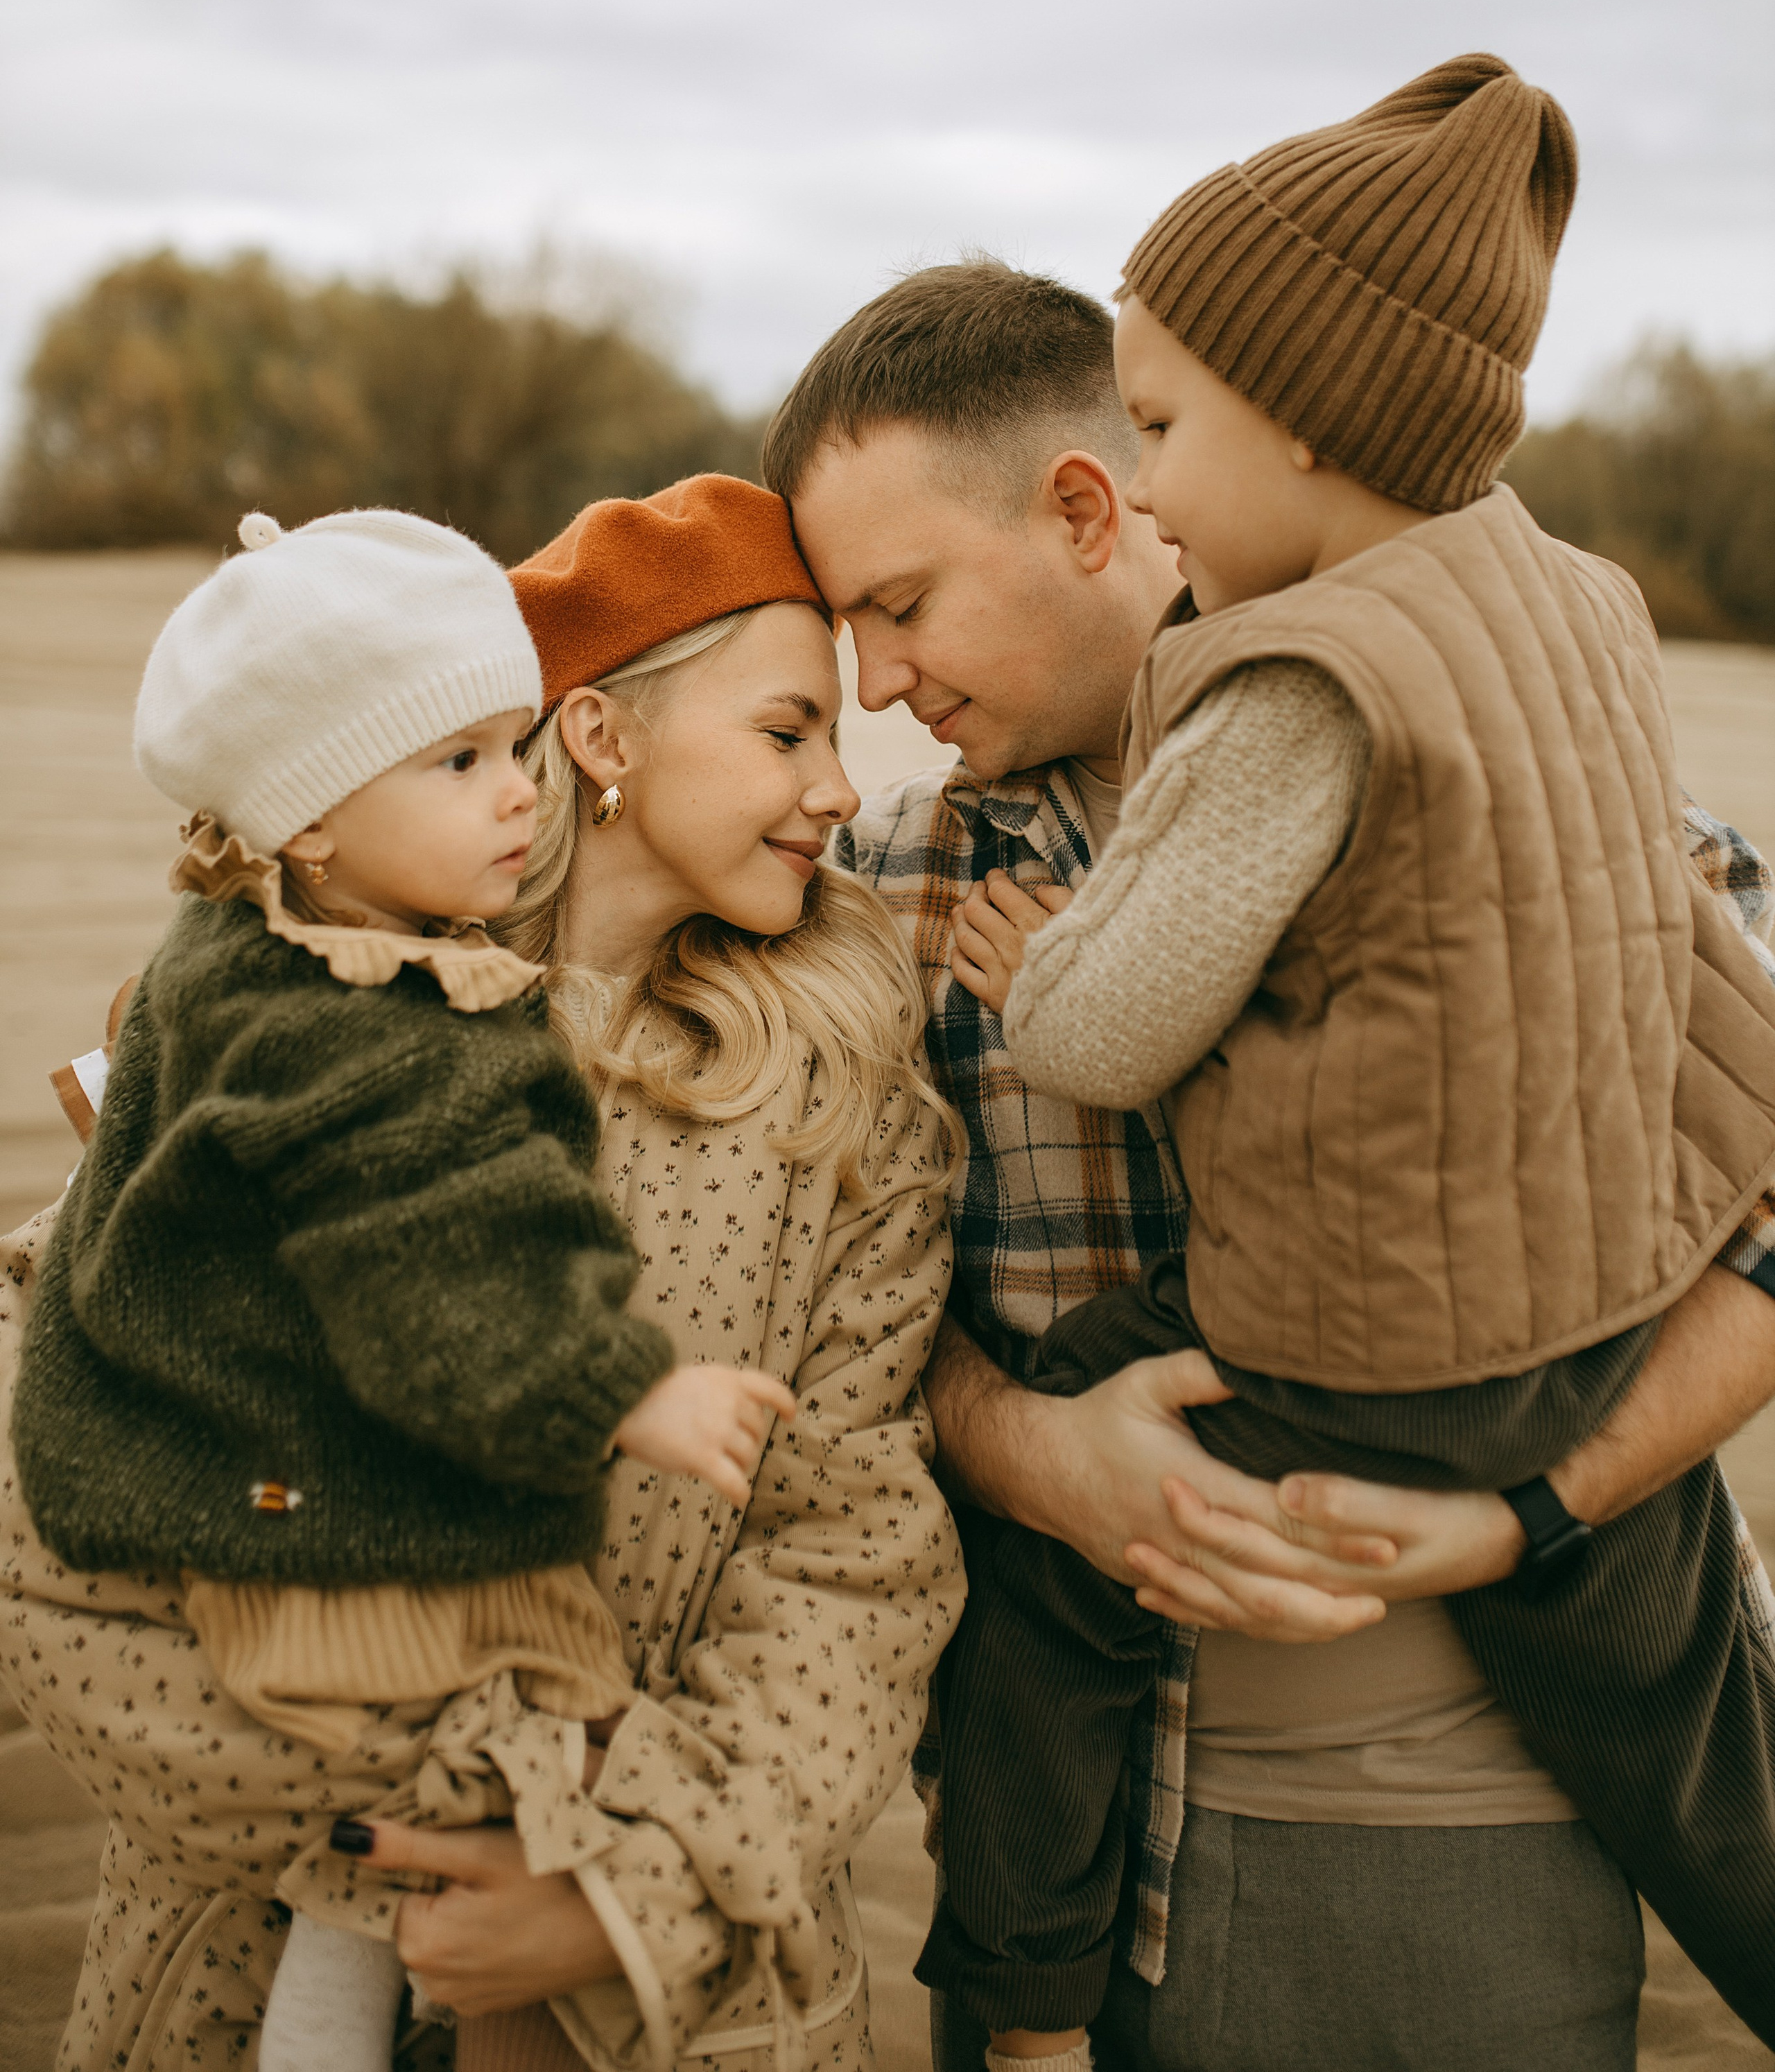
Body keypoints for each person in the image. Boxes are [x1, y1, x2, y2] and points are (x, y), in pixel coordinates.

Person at [763, 243, 1775, 2071]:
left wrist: (1529, 1512)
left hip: (1512, 1832)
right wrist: (1044, 1456)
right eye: (845, 631)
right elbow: (788, 1320)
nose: (876, 679)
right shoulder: (882, 905)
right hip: (1096, 1853)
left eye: (900, 604)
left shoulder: (1561, 807)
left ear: (1088, 507)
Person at [0, 474, 964, 2072]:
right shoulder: (273, 1027)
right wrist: (399, 1861)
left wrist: (613, 1889)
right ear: (601, 739)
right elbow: (70, 1515)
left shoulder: (848, 1108)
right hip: (245, 1952)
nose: (841, 793)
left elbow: (853, 1560)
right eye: (787, 732)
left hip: (682, 2000)